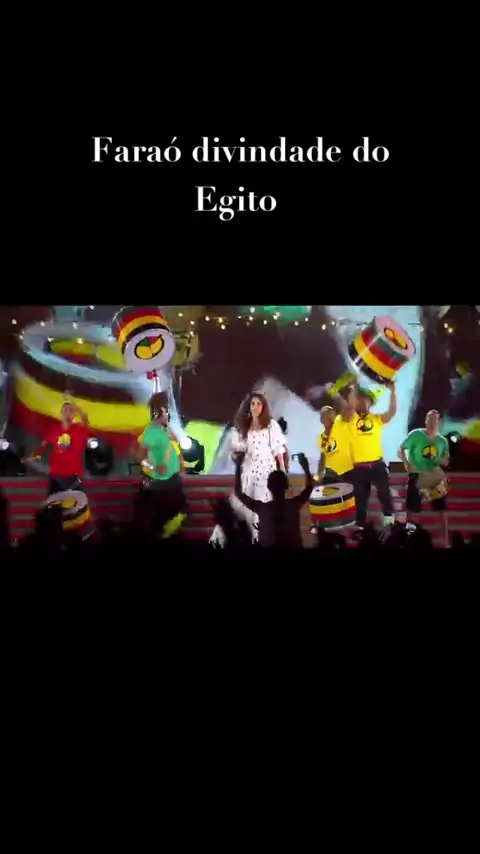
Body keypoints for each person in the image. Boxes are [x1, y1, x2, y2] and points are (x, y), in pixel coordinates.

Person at [344, 382, 397, 532]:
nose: (362, 402)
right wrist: (352, 390)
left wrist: (393, 392)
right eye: (359, 399)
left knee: (384, 492)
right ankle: (360, 527)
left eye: (365, 399)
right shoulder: (350, 419)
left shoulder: (376, 419)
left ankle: (389, 519)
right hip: (358, 468)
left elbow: (392, 412)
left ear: (370, 402)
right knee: (360, 500)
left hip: (377, 464)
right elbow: (350, 408)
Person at [132, 393, 187, 537]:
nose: (168, 414)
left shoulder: (164, 431)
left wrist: (180, 465)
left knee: (178, 514)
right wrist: (154, 468)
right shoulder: (151, 432)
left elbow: (173, 450)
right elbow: (139, 456)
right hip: (159, 485)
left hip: (172, 482)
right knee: (160, 521)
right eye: (165, 410)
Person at [234, 452, 313, 547]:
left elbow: (238, 493)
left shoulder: (262, 508)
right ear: (286, 486)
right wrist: (306, 467)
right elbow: (309, 488)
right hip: (294, 553)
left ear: (268, 486)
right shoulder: (293, 505)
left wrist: (238, 466)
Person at [398, 409, 450, 547]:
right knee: (412, 509)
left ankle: (445, 542)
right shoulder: (416, 434)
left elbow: (446, 460)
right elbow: (401, 448)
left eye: (435, 420)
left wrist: (442, 461)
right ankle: (410, 540)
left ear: (439, 422)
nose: (432, 422)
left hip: (434, 478)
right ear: (426, 421)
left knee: (441, 510)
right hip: (417, 474)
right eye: (429, 419)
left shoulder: (443, 441)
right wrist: (406, 463)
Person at [23, 400, 89, 495]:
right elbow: (42, 448)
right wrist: (33, 457)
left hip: (74, 476)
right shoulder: (53, 430)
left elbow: (85, 419)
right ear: (61, 413)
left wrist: (76, 407)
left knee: (74, 503)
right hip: (56, 476)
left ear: (74, 414)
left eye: (70, 411)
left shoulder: (79, 429)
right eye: (65, 410)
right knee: (54, 502)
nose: (67, 413)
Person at [317, 387, 356, 485]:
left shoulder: (340, 424)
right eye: (324, 414)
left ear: (334, 416)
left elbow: (348, 409)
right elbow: (323, 455)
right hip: (331, 473)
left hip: (348, 472)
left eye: (330, 413)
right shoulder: (321, 437)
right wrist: (319, 474)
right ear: (321, 420)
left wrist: (335, 394)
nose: (327, 416)